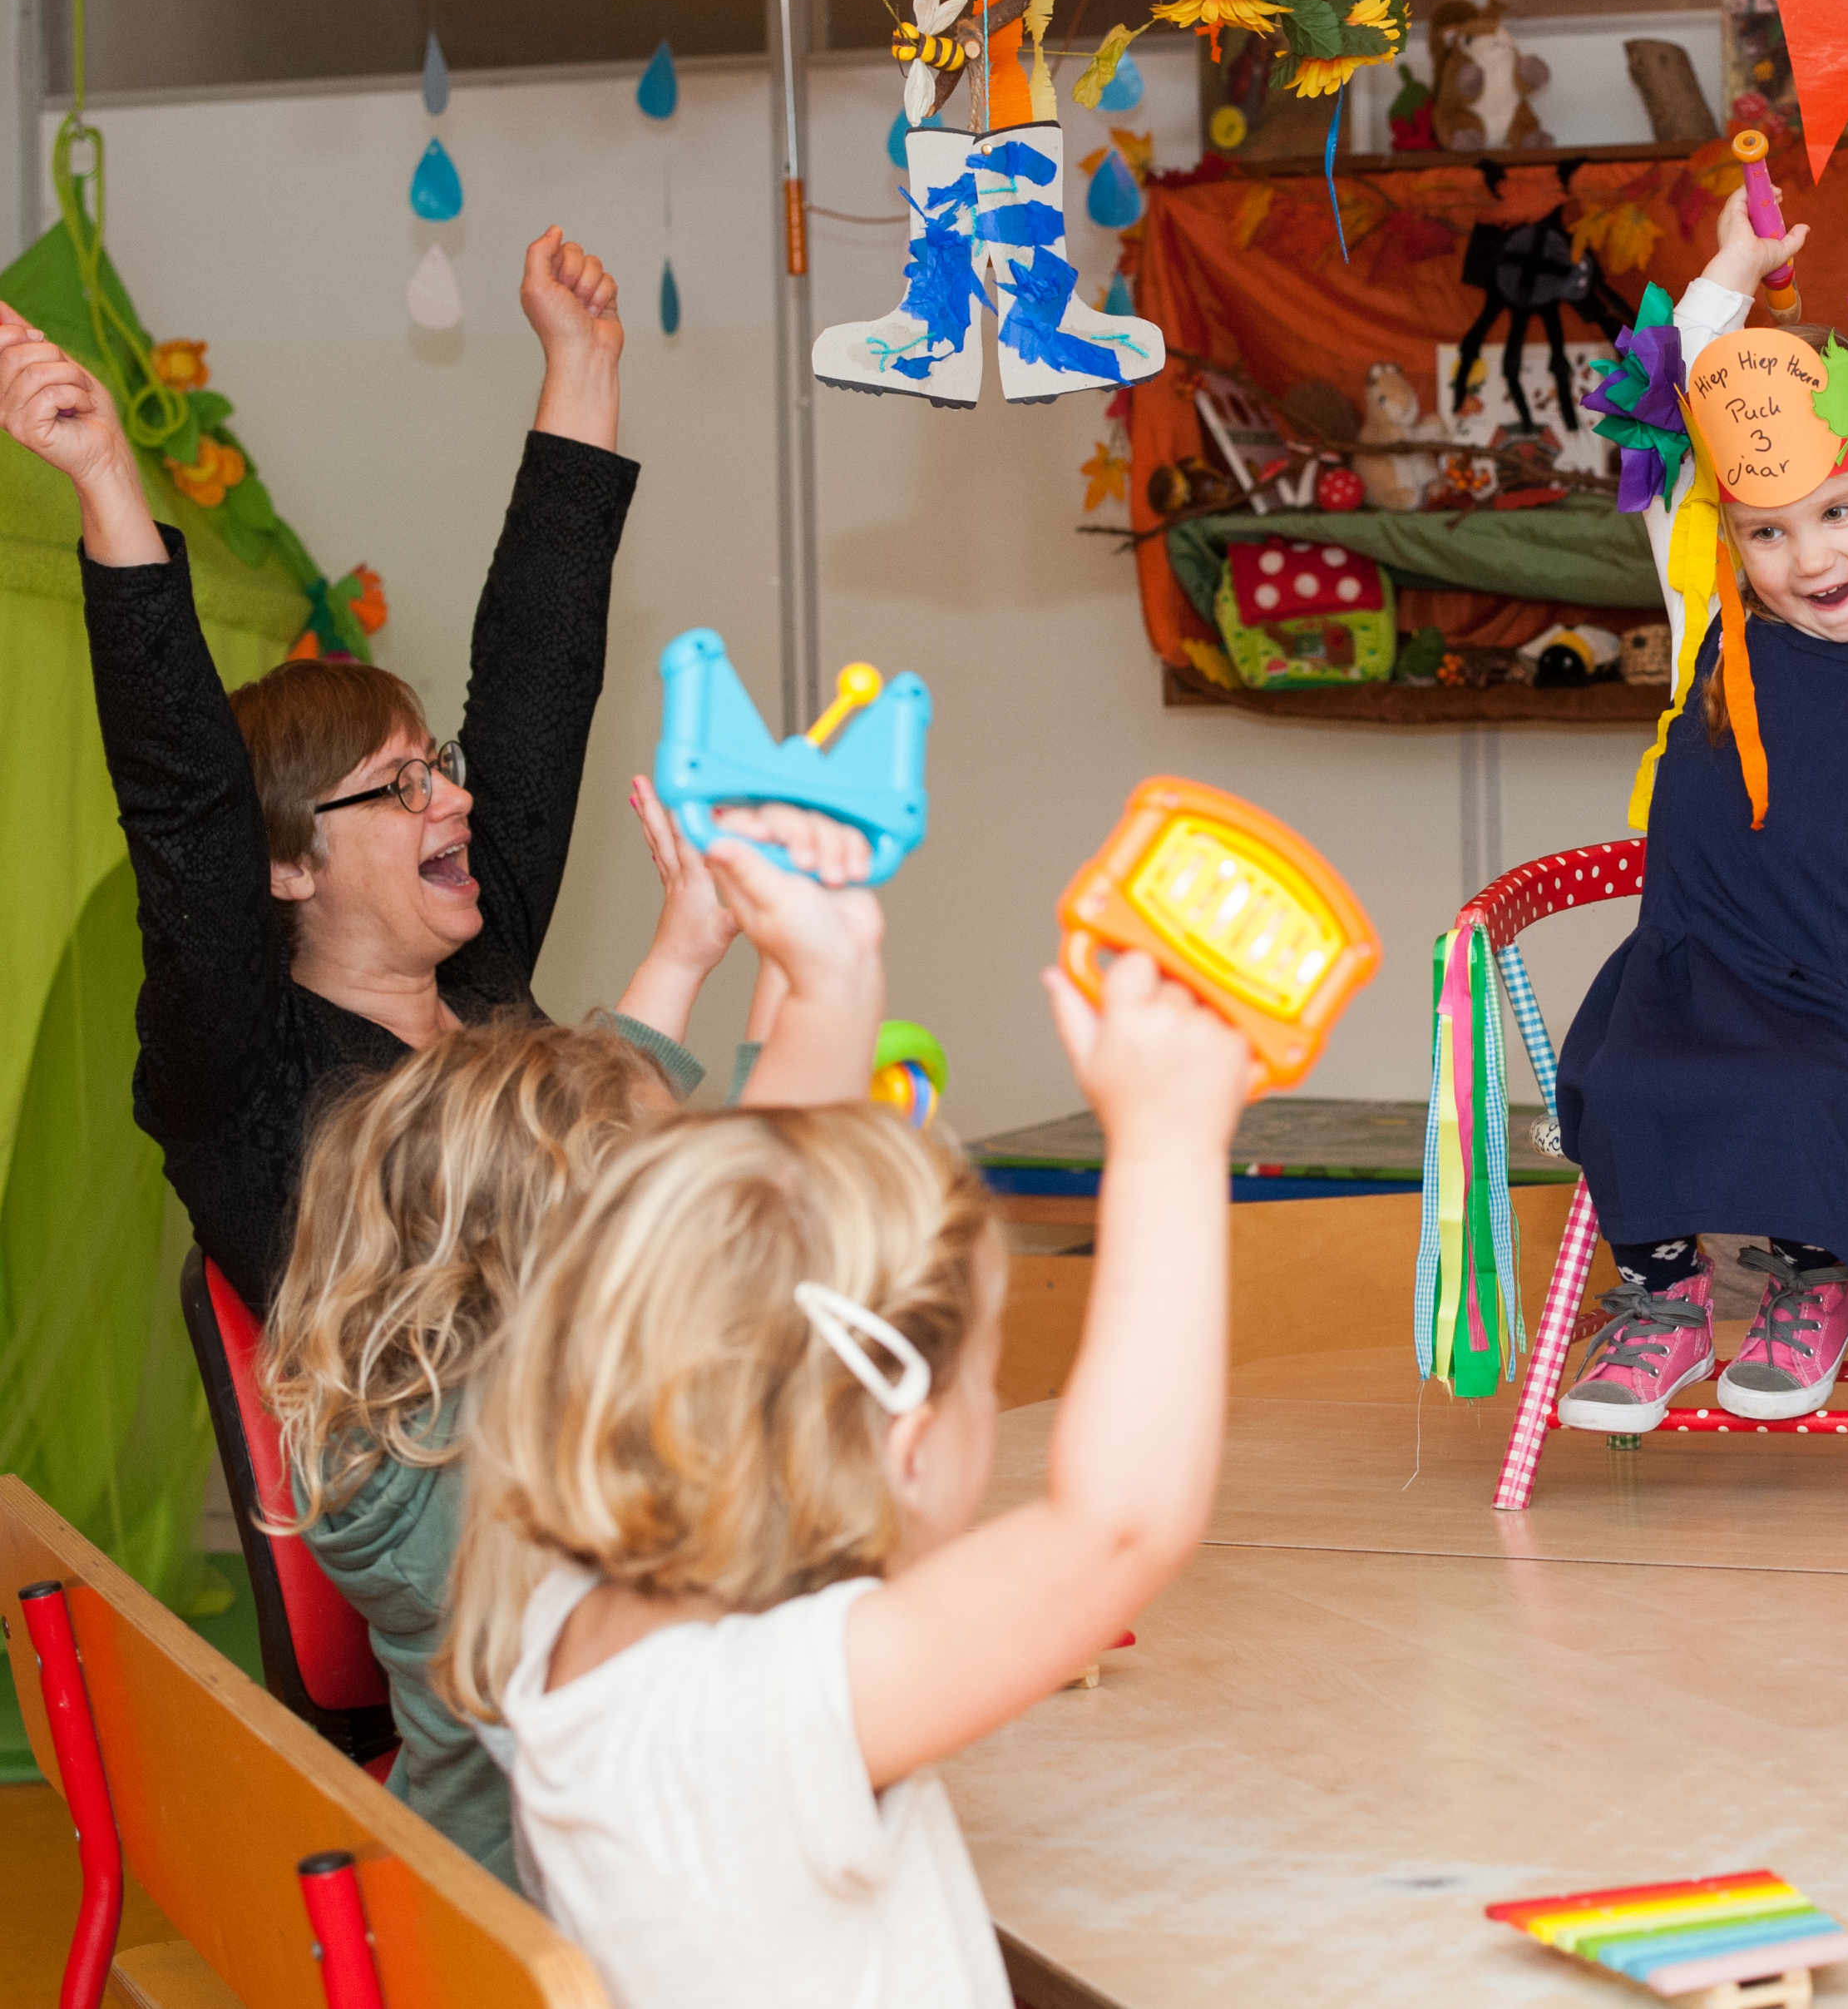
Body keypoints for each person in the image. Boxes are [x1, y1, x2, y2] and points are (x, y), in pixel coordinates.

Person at [441, 945, 1245, 2007]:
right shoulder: (764, 1718)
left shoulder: (574, 1611)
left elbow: (740, 1245)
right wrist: (1169, 1143)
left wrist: (836, 976)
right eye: (988, 1382)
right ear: (907, 1452)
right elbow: (1119, 1522)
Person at [2, 229, 636, 1314]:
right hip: (439, 1480)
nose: (457, 796)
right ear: (290, 864)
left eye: (435, 765)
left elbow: (544, 669)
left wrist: (581, 366)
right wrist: (106, 475)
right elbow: (188, 812)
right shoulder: (246, 1072)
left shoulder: (484, 963)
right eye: (403, 786)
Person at [259, 828, 885, 1887]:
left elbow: (723, 1151)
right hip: (568, 1925)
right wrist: (818, 975)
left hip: (450, 1903)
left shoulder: (405, 1437)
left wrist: (777, 966)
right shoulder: (555, 1479)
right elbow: (780, 1190)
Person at [1553, 228, 1848, 1428]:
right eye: (1769, 530)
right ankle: (1664, 1298)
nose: (1810, 557)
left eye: (1839, 511)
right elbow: (1706, 389)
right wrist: (1729, 274)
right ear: (1728, 534)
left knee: (1816, 1088)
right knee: (1620, 1078)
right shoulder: (1711, 616)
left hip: (1834, 986)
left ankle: (1808, 1277)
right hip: (1694, 965)